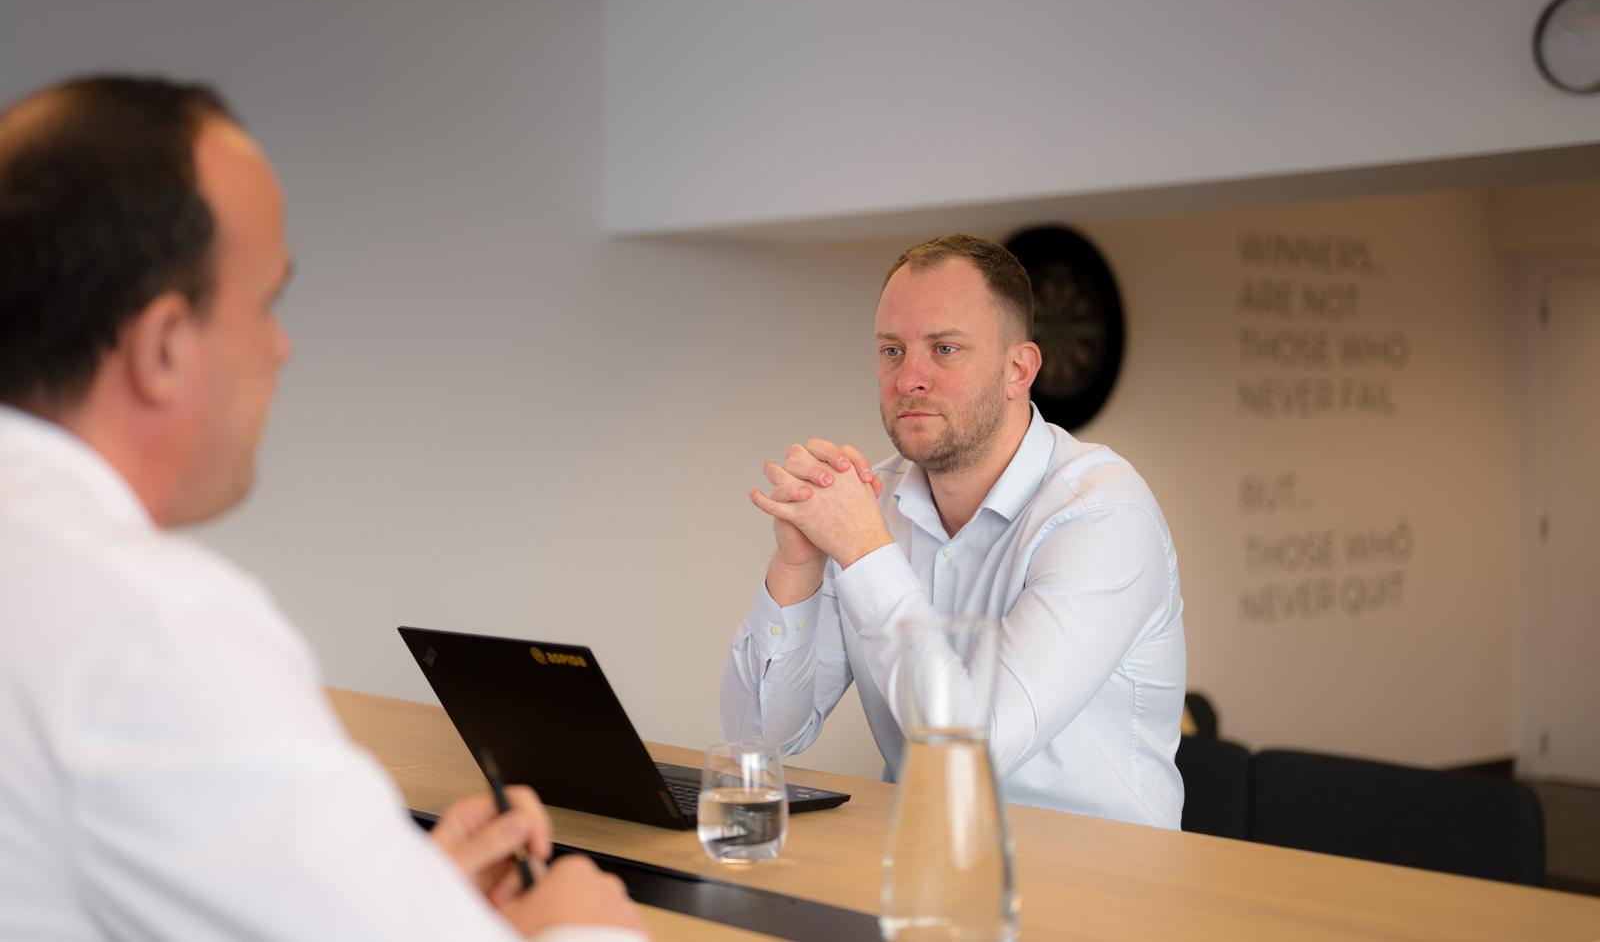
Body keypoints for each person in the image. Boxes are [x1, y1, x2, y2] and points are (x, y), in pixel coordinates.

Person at [0, 76, 646, 940]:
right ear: (162, 348)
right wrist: (578, 925)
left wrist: (399, 891)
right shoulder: (156, 629)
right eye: (265, 302)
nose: (281, 345)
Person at [721, 234, 1186, 829]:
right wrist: (797, 568)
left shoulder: (1105, 514)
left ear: (1018, 369)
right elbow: (758, 740)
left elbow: (973, 751)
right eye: (892, 350)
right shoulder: (872, 504)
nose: (909, 378)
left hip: (1100, 878)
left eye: (944, 349)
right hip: (922, 860)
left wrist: (864, 551)